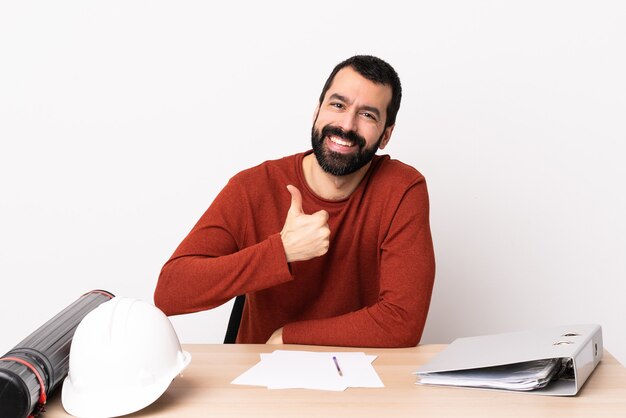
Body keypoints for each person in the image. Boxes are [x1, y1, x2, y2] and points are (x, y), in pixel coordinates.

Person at [154, 55, 435, 348]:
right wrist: (281, 251)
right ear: (317, 111)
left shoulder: (402, 189)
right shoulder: (253, 186)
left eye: (368, 115)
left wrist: (289, 337)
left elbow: (403, 322)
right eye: (337, 105)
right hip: (260, 377)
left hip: (358, 376)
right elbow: (170, 292)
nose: (346, 125)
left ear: (386, 135)